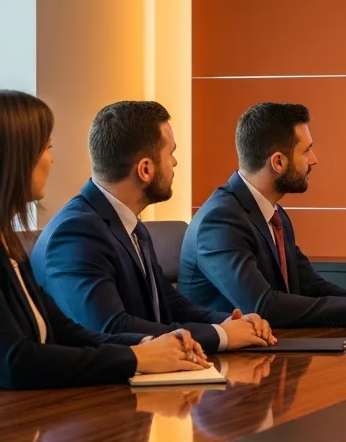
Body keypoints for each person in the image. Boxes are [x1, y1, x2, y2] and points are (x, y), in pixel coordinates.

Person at [0, 89, 210, 416]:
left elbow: (63, 330)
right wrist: (137, 359)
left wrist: (148, 344)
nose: (51, 158)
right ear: (9, 159)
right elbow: (14, 361)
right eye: (45, 147)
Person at [34, 100, 275, 355]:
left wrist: (229, 321)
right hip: (103, 389)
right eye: (170, 153)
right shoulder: (76, 233)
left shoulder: (128, 223)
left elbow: (166, 301)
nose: (174, 163)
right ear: (146, 169)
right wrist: (221, 336)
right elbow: (110, 327)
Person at [180, 102, 346, 327]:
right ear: (278, 162)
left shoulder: (273, 213)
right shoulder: (220, 220)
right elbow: (262, 306)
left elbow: (308, 285)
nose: (314, 160)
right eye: (306, 151)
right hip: (226, 362)